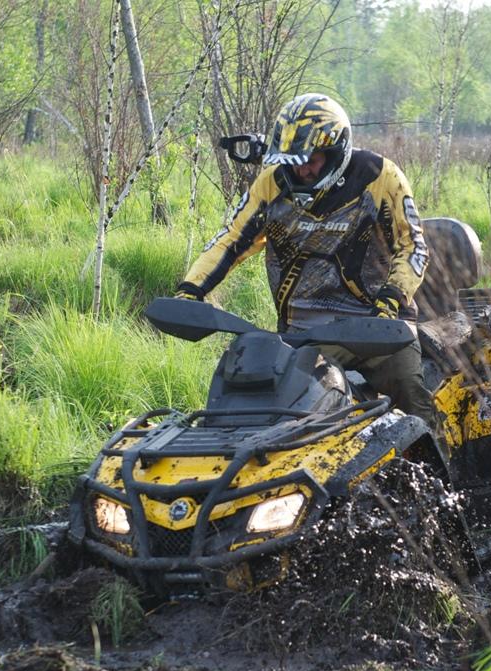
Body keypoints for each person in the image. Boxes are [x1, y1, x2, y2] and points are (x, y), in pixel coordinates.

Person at [173, 93, 436, 426]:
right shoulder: (272, 183)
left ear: (337, 151)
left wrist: (391, 301)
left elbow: (413, 246)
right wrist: (191, 290)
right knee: (259, 408)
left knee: (411, 395)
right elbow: (231, 239)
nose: (302, 169)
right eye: (293, 160)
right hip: (301, 333)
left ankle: (440, 454)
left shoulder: (379, 176)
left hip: (378, 328)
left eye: (311, 160)